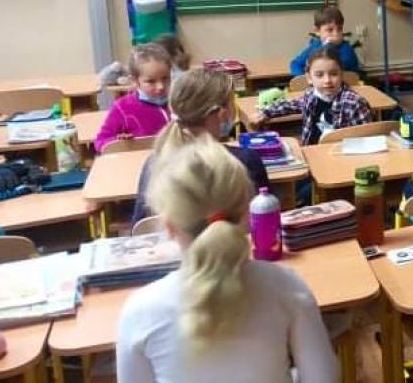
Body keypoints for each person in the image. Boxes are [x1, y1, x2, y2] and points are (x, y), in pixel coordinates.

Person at [116, 138, 340, 382]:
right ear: (247, 215)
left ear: (168, 226)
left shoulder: (140, 312)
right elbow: (323, 378)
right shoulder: (287, 287)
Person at [132, 69, 270, 225]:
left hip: (170, 240)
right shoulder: (245, 160)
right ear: (222, 114)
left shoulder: (155, 162)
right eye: (232, 102)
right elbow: (266, 220)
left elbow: (140, 227)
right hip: (231, 240)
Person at [261, 45, 372, 145]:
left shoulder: (354, 103)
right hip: (310, 151)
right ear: (309, 78)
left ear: (342, 75)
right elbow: (293, 104)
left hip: (339, 155)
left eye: (333, 74)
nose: (327, 80)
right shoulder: (311, 95)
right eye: (319, 75)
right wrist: (265, 112)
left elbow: (367, 138)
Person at [94, 44, 173, 153]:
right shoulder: (123, 107)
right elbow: (100, 141)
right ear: (135, 81)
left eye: (165, 78)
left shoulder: (178, 101)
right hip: (138, 161)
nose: (161, 86)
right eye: (151, 81)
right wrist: (119, 142)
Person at [289, 4, 360, 77]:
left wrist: (329, 45)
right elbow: (295, 64)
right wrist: (305, 78)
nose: (336, 34)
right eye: (330, 30)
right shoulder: (315, 46)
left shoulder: (347, 49)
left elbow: (330, 65)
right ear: (317, 31)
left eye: (339, 29)